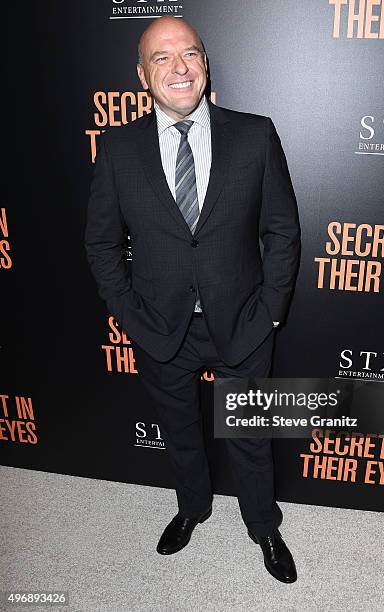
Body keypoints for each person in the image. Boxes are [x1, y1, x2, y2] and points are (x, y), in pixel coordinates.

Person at [85, 15, 301, 583]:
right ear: (141, 75)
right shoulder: (117, 149)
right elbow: (102, 244)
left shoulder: (255, 134)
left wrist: (271, 309)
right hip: (160, 326)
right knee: (179, 430)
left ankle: (262, 525)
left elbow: (282, 230)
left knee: (251, 437)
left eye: (190, 55)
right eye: (162, 58)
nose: (179, 67)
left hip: (244, 321)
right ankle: (192, 508)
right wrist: (131, 316)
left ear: (205, 65)